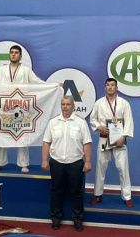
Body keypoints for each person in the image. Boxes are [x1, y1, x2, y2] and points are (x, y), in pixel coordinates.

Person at [0, 44, 45, 173]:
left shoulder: (26, 70)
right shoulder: (2, 70)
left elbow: (37, 82)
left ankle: (23, 164)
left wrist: (53, 85)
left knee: (22, 134)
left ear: (20, 56)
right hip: (4, 106)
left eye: (16, 53)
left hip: (21, 105)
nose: (13, 54)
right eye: (12, 52)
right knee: (1, 135)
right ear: (9, 55)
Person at [42, 95, 92, 231]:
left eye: (68, 104)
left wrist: (88, 161)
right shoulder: (53, 122)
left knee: (76, 192)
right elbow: (46, 142)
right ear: (61, 106)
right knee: (56, 191)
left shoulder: (81, 123)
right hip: (56, 162)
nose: (65, 107)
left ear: (73, 106)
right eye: (63, 104)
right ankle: (56, 219)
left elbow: (87, 143)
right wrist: (44, 160)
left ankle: (78, 220)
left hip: (75, 163)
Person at [89, 77, 134, 207]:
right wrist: (99, 127)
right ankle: (97, 195)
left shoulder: (124, 103)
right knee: (100, 167)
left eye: (112, 85)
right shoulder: (99, 103)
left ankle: (127, 196)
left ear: (116, 88)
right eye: (108, 85)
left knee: (123, 168)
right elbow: (92, 119)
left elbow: (129, 121)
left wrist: (124, 136)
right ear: (105, 87)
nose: (110, 87)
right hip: (104, 138)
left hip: (119, 140)